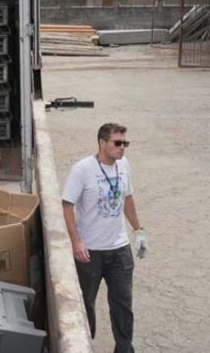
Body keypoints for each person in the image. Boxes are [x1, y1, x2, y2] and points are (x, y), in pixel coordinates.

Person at [62, 122, 148, 353]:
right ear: (102, 143)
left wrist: (138, 230)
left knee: (123, 303)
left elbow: (127, 198)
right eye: (117, 143)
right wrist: (76, 242)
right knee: (86, 303)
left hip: (119, 249)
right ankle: (84, 345)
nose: (122, 148)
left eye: (125, 143)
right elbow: (67, 205)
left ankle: (124, 348)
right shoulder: (82, 169)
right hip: (90, 251)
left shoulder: (124, 165)